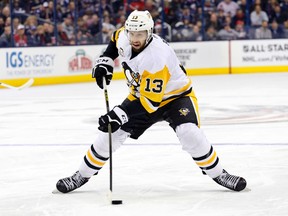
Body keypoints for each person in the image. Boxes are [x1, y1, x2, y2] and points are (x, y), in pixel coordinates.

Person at [56, 10, 247, 193]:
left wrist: (120, 114)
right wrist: (106, 58)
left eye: (141, 33)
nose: (135, 38)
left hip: (176, 97)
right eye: (132, 33)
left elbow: (150, 103)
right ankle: (81, 175)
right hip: (141, 96)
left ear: (150, 32)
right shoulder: (125, 36)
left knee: (189, 133)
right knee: (110, 135)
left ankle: (219, 174)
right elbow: (115, 40)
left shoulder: (156, 56)